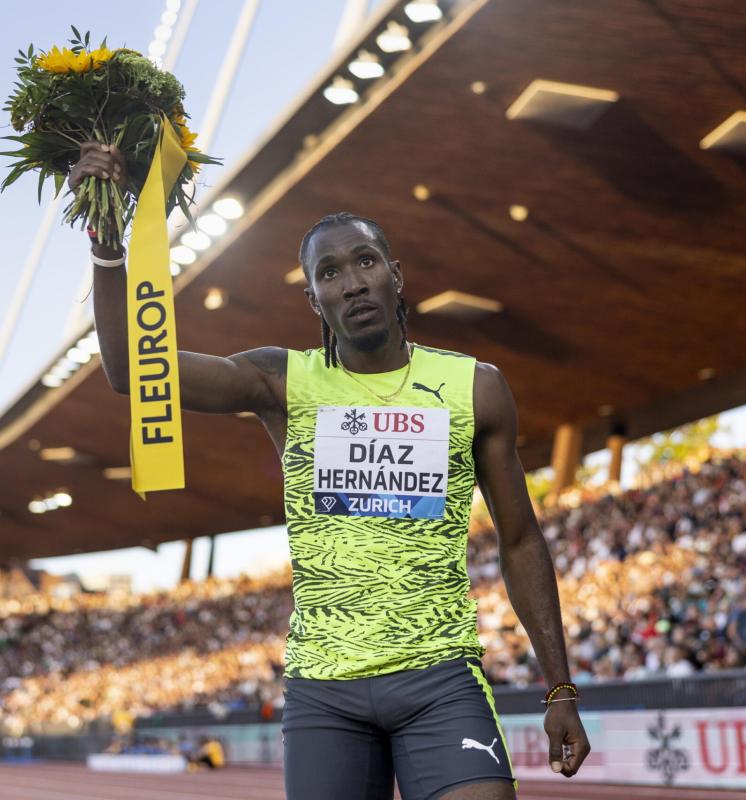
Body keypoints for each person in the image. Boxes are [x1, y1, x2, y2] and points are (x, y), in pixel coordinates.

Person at [69, 144, 590, 800]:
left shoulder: (474, 388)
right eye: (330, 273)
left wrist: (559, 686)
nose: (352, 282)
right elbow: (130, 371)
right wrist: (107, 238)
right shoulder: (282, 382)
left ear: (396, 275)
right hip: (325, 695)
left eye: (365, 262)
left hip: (440, 680)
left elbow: (519, 540)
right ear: (315, 299)